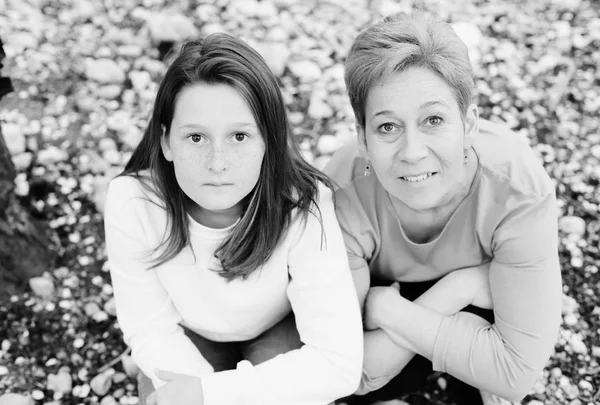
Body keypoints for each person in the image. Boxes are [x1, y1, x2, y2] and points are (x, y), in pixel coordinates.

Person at [103, 33, 363, 405]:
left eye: (239, 136)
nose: (218, 162)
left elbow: (338, 364)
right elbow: (150, 329)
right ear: (165, 142)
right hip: (185, 334)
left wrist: (212, 394)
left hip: (278, 330)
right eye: (196, 138)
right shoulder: (133, 202)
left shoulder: (304, 205)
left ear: (268, 141)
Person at [324, 11, 562, 405]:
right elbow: (350, 373)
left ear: (469, 123)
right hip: (404, 293)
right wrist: (458, 291)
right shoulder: (341, 194)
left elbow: (516, 373)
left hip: (448, 307)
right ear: (362, 139)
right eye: (387, 127)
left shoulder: (517, 190)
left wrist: (388, 310)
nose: (413, 153)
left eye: (433, 119)